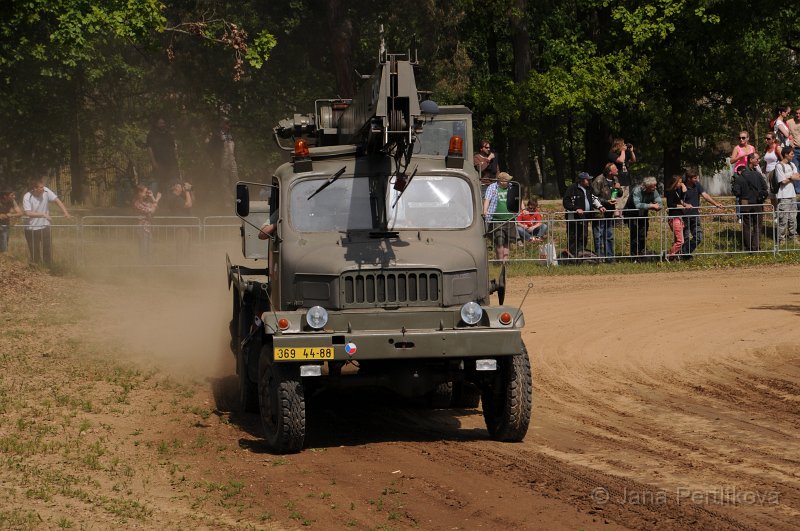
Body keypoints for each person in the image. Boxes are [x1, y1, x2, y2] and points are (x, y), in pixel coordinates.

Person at [22, 180, 72, 266]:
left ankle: (49, 268)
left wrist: (65, 212)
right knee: (34, 252)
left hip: (45, 226)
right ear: (34, 188)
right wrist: (43, 214)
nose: (43, 189)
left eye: (43, 187)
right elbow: (28, 213)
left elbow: (57, 200)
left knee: (47, 249)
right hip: (31, 228)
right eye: (40, 187)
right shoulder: (27, 197)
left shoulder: (46, 191)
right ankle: (36, 270)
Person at [681, 168, 723, 256]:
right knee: (686, 238)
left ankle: (684, 253)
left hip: (695, 215)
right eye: (695, 178)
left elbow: (705, 196)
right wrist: (685, 205)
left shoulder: (697, 185)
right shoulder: (682, 187)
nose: (697, 180)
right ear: (689, 178)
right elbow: (679, 201)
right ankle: (684, 256)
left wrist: (715, 204)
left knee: (698, 237)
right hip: (684, 217)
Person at [563, 172, 605, 259]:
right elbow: (566, 202)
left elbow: (594, 198)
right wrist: (575, 209)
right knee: (573, 237)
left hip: (585, 218)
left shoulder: (589, 188)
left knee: (583, 236)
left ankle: (581, 256)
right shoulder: (572, 188)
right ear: (581, 181)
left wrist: (600, 206)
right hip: (573, 219)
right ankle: (572, 257)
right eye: (587, 179)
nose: (589, 180)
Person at [731, 153, 767, 252]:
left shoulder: (740, 176)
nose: (758, 161)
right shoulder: (757, 174)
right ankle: (756, 247)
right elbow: (765, 188)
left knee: (746, 225)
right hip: (757, 203)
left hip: (745, 202)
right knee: (757, 225)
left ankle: (748, 247)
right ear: (750, 160)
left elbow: (736, 192)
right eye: (757, 159)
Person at [622, 176, 661, 257]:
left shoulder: (654, 191)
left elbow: (659, 203)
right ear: (647, 186)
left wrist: (657, 206)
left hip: (643, 215)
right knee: (634, 236)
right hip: (631, 214)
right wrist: (651, 205)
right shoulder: (636, 190)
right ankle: (634, 256)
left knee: (643, 235)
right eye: (653, 186)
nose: (655, 187)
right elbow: (638, 205)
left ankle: (642, 254)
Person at [483, 172, 517, 262]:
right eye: (507, 180)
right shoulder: (492, 187)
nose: (509, 181)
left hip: (510, 218)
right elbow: (487, 199)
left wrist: (523, 209)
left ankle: (505, 262)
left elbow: (518, 199)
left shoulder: (512, 187)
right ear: (501, 181)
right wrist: (485, 210)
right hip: (496, 219)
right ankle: (500, 262)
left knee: (508, 242)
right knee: (499, 241)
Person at [591, 163, 622, 260]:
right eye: (615, 169)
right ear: (609, 171)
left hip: (609, 211)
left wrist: (618, 188)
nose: (617, 170)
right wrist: (605, 201)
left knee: (609, 235)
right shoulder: (598, 180)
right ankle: (599, 258)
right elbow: (593, 196)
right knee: (598, 236)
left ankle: (610, 257)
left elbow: (619, 194)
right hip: (599, 212)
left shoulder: (615, 180)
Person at [207, 117, 238, 203]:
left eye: (229, 123)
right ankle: (227, 201)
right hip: (222, 162)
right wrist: (215, 160)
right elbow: (209, 148)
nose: (228, 125)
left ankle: (236, 199)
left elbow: (235, 149)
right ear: (222, 124)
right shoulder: (216, 135)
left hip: (232, 160)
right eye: (226, 123)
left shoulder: (231, 135)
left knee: (235, 179)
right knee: (225, 182)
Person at [773, 146, 800, 244]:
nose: (793, 156)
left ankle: (793, 236)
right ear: (786, 154)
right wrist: (792, 177)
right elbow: (782, 181)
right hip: (783, 196)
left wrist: (791, 177)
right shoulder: (779, 166)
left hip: (792, 195)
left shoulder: (792, 164)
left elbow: (798, 176)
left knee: (793, 218)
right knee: (783, 219)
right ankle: (781, 239)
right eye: (792, 154)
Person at [146, 117, 179, 195]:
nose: (162, 125)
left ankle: (170, 200)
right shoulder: (151, 135)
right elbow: (149, 149)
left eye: (163, 123)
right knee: (158, 182)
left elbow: (174, 147)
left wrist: (176, 159)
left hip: (170, 163)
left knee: (171, 182)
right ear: (156, 124)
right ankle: (156, 201)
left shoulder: (168, 134)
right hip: (159, 163)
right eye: (160, 123)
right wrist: (154, 162)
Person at [163, 181, 194, 260]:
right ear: (175, 188)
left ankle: (183, 266)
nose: (182, 188)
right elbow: (188, 204)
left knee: (186, 248)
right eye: (180, 186)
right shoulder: (174, 198)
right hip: (181, 226)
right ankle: (180, 268)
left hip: (184, 226)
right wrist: (187, 191)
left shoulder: (178, 197)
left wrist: (190, 191)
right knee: (182, 248)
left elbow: (192, 201)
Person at [663, 174, 690, 261]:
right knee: (680, 241)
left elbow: (682, 200)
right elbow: (670, 204)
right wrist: (681, 207)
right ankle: (669, 255)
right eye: (679, 182)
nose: (681, 184)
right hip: (674, 218)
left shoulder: (677, 191)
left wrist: (684, 190)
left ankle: (672, 256)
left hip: (678, 218)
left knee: (677, 240)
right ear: (675, 183)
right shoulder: (670, 192)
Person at [133, 184, 161, 262]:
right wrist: (157, 199)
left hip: (148, 228)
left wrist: (152, 197)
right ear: (139, 193)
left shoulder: (146, 202)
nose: (147, 193)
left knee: (150, 249)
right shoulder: (137, 203)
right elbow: (151, 210)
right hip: (142, 229)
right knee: (144, 249)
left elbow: (156, 209)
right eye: (145, 192)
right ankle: (143, 266)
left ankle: (148, 266)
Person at [608, 138, 636, 210]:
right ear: (618, 145)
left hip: (626, 180)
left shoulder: (624, 153)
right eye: (623, 144)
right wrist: (623, 150)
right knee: (618, 202)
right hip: (618, 181)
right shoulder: (612, 154)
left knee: (625, 201)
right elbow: (620, 160)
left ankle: (621, 217)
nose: (624, 145)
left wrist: (631, 151)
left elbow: (633, 160)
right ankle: (617, 218)